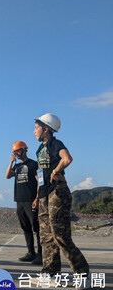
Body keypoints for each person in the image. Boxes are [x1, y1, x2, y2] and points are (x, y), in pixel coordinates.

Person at [33, 113, 89, 278]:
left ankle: (83, 274)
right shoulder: (40, 149)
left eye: (37, 127)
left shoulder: (56, 144)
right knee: (46, 237)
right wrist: (37, 197)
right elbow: (40, 174)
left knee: (60, 236)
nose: (34, 131)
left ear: (46, 129)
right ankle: (50, 272)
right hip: (43, 193)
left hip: (57, 192)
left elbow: (67, 158)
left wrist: (56, 170)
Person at [5, 141, 42, 265]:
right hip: (19, 200)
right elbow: (7, 176)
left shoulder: (33, 164)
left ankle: (41, 254)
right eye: (14, 152)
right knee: (25, 228)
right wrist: (11, 162)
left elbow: (39, 183)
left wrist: (37, 198)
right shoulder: (16, 167)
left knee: (36, 228)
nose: (16, 154)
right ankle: (30, 252)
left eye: (18, 151)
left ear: (24, 150)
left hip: (30, 200)